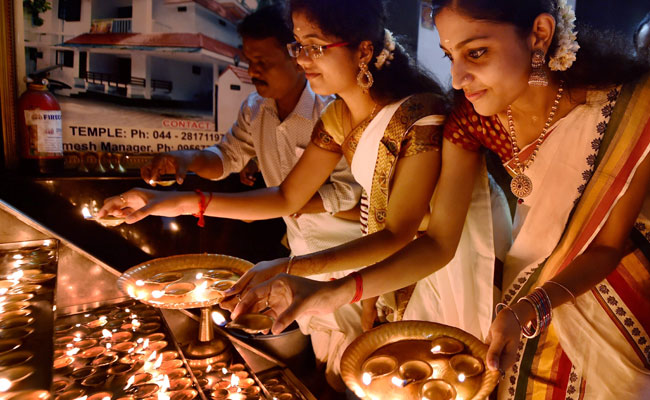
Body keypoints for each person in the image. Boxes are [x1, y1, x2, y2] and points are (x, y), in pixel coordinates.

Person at [231, 1, 650, 399]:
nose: (457, 79)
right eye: (451, 57)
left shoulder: (631, 108)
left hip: (611, 296)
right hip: (526, 296)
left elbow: (608, 246)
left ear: (539, 33)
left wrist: (529, 308)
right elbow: (437, 243)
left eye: (477, 52)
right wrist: (330, 292)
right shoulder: (470, 121)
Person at [100, 0, 510, 388]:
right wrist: (169, 202)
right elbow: (286, 198)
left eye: (314, 47)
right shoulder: (337, 117)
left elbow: (399, 232)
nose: (301, 59)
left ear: (363, 51)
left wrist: (293, 267)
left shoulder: (419, 115)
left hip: (442, 263)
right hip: (396, 267)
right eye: (299, 46)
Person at [135, 4, 366, 385]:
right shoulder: (256, 109)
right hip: (300, 253)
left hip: (347, 256)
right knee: (324, 360)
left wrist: (275, 203)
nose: (253, 71)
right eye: (248, 61)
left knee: (353, 363)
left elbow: (351, 195)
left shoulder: (333, 112)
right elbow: (225, 158)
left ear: (297, 56)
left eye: (263, 61)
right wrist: (184, 160)